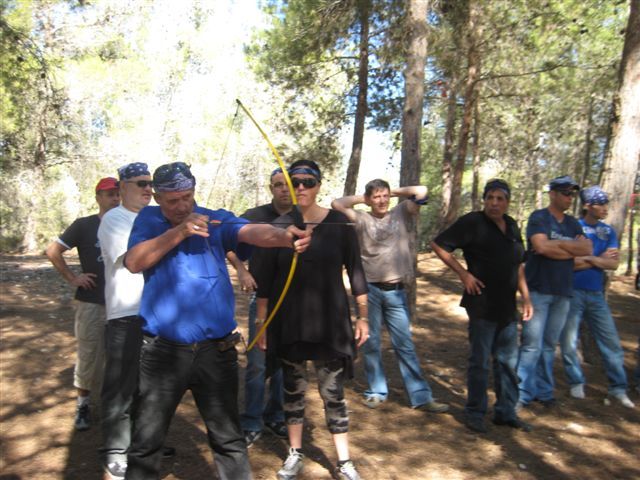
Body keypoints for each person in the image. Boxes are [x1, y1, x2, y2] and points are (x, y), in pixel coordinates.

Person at [123, 162, 311, 480]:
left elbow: (249, 231)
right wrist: (179, 231)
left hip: (217, 352)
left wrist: (284, 237)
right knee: (146, 441)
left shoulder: (214, 217)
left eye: (188, 197)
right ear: (157, 197)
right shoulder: (149, 219)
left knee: (228, 439)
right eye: (173, 200)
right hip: (163, 353)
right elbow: (133, 262)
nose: (182, 206)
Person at [256, 159, 368, 480]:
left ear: (319, 185)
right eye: (295, 182)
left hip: (330, 324)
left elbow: (356, 272)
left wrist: (363, 316)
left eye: (309, 181)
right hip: (289, 323)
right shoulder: (278, 226)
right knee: (293, 390)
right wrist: (262, 324)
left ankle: (344, 461)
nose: (301, 187)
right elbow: (264, 282)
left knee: (333, 394)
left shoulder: (339, 224)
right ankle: (295, 453)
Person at [332, 179, 449, 413]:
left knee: (404, 344)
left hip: (396, 291)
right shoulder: (361, 218)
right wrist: (367, 198)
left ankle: (421, 396)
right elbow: (337, 204)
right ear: (369, 199)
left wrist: (391, 192)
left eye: (384, 196)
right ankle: (376, 391)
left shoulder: (401, 212)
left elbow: (422, 191)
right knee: (371, 343)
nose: (382, 200)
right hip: (370, 291)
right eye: (376, 197)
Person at [431, 179, 533, 433]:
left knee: (507, 362)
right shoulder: (473, 222)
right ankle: (475, 411)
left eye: (500, 199)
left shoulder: (511, 225)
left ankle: (506, 412)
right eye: (490, 198)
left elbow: (518, 265)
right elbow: (439, 245)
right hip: (481, 303)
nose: (494, 203)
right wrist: (463, 274)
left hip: (507, 307)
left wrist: (526, 297)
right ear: (484, 200)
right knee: (480, 361)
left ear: (507, 202)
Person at [97, 163, 164, 480]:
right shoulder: (115, 219)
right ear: (122, 187)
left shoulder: (155, 219)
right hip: (126, 315)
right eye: (141, 183)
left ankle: (141, 444)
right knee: (121, 386)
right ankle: (115, 449)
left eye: (150, 183)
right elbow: (133, 259)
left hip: (156, 314)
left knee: (150, 386)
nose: (148, 189)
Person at [46, 177, 120, 431]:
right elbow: (53, 251)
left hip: (124, 304)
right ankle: (83, 405)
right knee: (89, 354)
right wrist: (73, 278)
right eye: (109, 194)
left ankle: (117, 406)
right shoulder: (84, 225)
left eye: (117, 194)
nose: (115, 198)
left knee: (122, 358)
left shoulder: (129, 223)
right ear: (98, 197)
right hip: (92, 302)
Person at [227, 168, 292, 447]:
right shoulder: (254, 215)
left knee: (283, 363)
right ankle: (251, 420)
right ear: (271, 188)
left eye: (288, 184)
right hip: (261, 298)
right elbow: (226, 241)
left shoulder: (304, 216)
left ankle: (275, 415)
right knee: (257, 362)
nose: (284, 189)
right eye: (278, 185)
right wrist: (242, 270)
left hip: (292, 300)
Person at [516, 175, 592, 409]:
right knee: (532, 344)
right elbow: (540, 247)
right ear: (553, 194)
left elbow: (586, 249)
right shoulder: (539, 218)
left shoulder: (573, 224)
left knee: (549, 344)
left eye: (572, 194)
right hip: (539, 290)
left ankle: (544, 392)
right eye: (566, 193)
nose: (570, 198)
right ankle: (521, 393)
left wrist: (556, 246)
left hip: (563, 291)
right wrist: (570, 250)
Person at [559, 186, 635, 408]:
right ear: (587, 205)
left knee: (610, 340)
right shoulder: (573, 228)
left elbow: (613, 263)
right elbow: (567, 263)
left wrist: (589, 258)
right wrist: (597, 258)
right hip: (571, 292)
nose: (605, 208)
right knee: (568, 340)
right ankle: (576, 382)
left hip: (596, 294)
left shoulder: (607, 231)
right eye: (600, 204)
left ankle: (618, 388)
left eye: (605, 203)